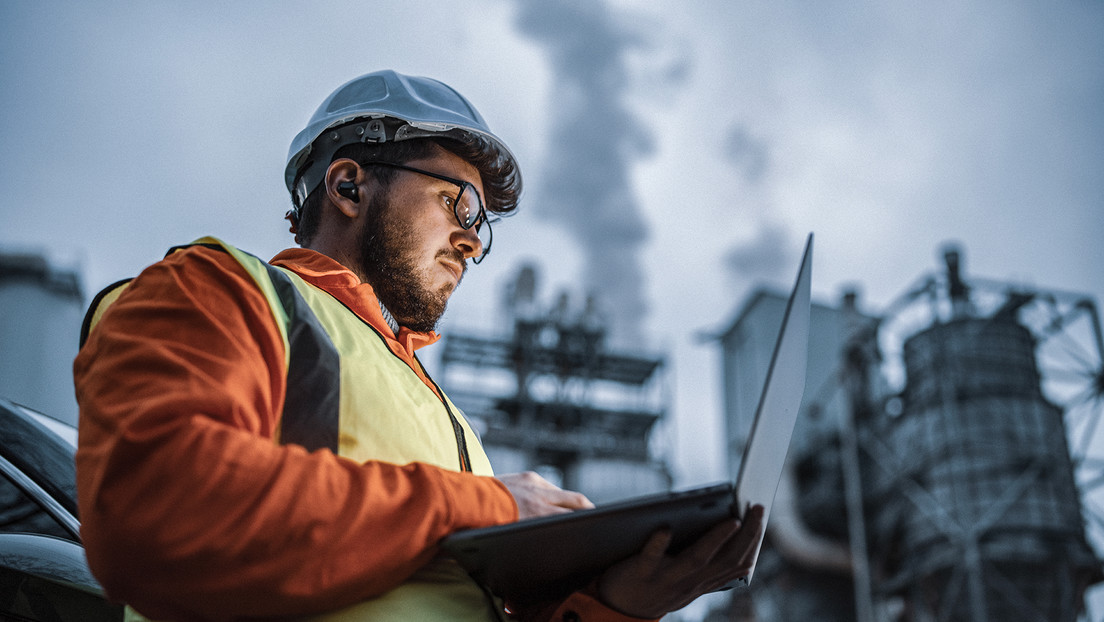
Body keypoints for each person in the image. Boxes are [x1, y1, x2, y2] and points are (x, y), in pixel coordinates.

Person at [74, 70, 764, 622]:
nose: (471, 240)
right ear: (349, 185)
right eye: (458, 205)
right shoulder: (219, 291)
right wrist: (488, 506)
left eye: (482, 227)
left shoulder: (445, 418)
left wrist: (615, 604)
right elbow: (157, 509)